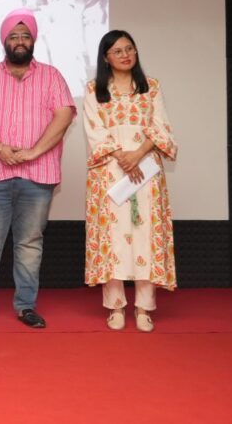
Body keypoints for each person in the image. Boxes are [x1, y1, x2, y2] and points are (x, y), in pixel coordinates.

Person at [0, 8, 75, 329]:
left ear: (33, 40)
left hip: (37, 176)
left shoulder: (51, 76)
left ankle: (26, 306)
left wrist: (34, 152)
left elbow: (64, 114)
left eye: (26, 35)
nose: (20, 41)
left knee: (29, 243)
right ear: (5, 41)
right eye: (14, 36)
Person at [83, 30, 177, 332]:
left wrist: (137, 154)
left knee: (145, 236)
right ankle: (115, 306)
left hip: (146, 170)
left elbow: (161, 126)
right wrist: (121, 157)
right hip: (109, 171)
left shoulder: (151, 86)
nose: (125, 55)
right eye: (118, 51)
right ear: (106, 58)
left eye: (129, 49)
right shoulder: (95, 89)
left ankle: (144, 307)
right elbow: (94, 129)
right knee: (112, 238)